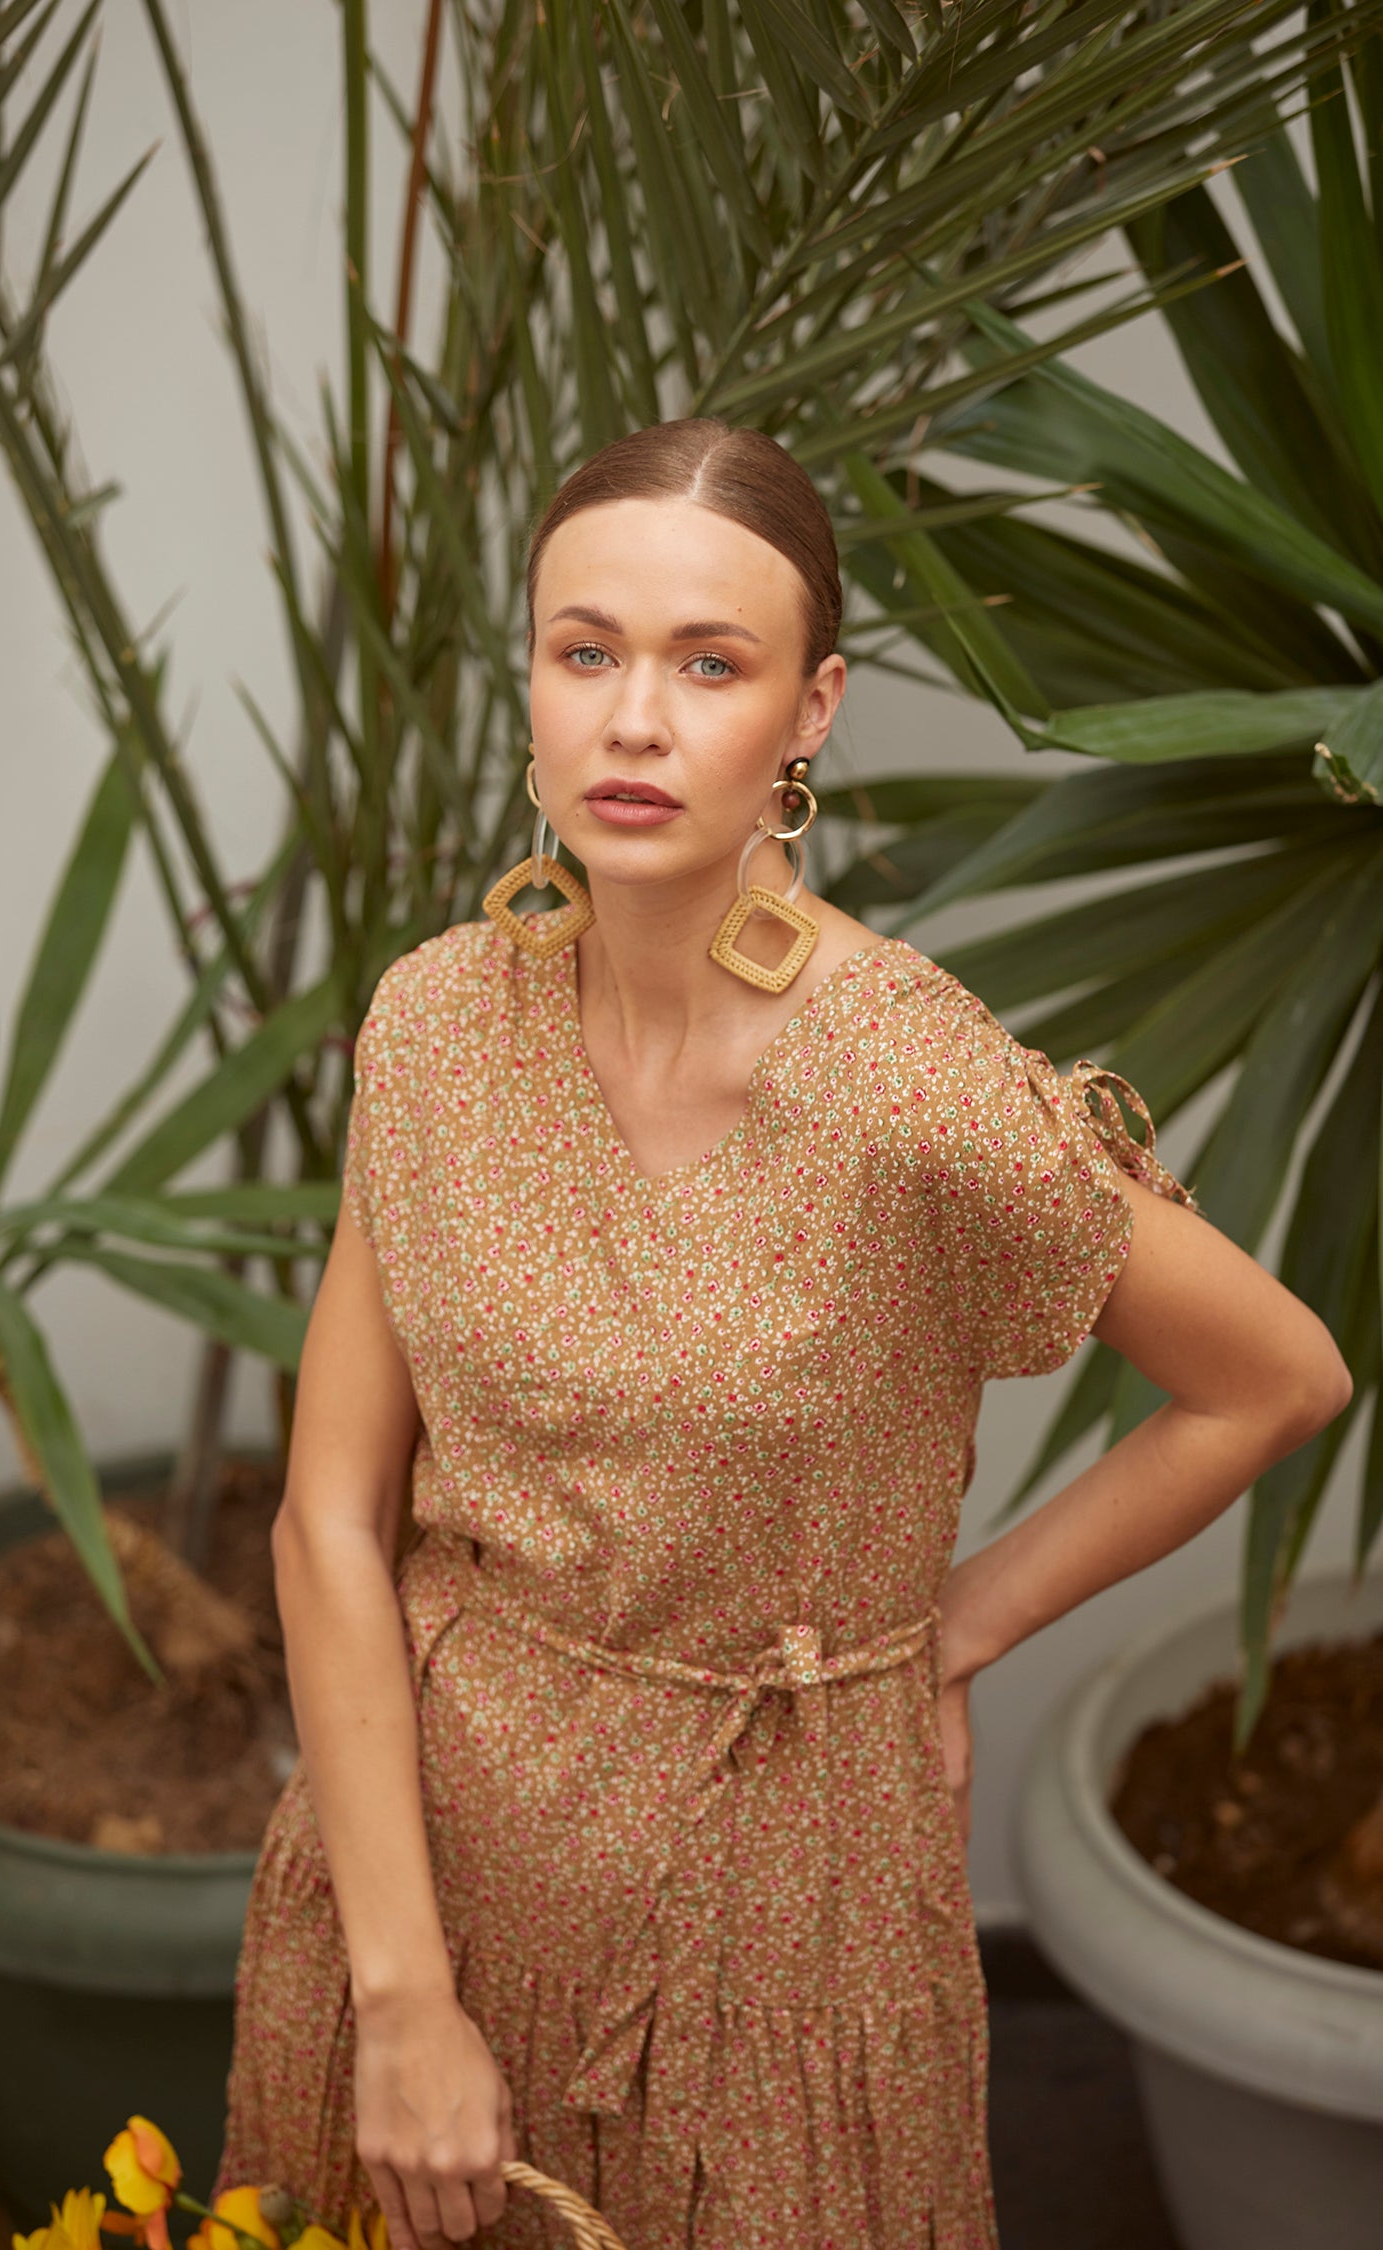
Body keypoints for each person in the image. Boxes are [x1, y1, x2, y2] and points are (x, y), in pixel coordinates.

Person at [214, 418, 1351, 2250]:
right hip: (429, 1858)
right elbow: (329, 1521)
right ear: (530, 680)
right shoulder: (436, 1025)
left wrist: (952, 1630)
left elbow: (1277, 1377)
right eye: (586, 650)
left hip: (782, 1915)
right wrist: (403, 1995)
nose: (633, 721)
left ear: (811, 709)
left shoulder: (909, 1079)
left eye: (709, 664)